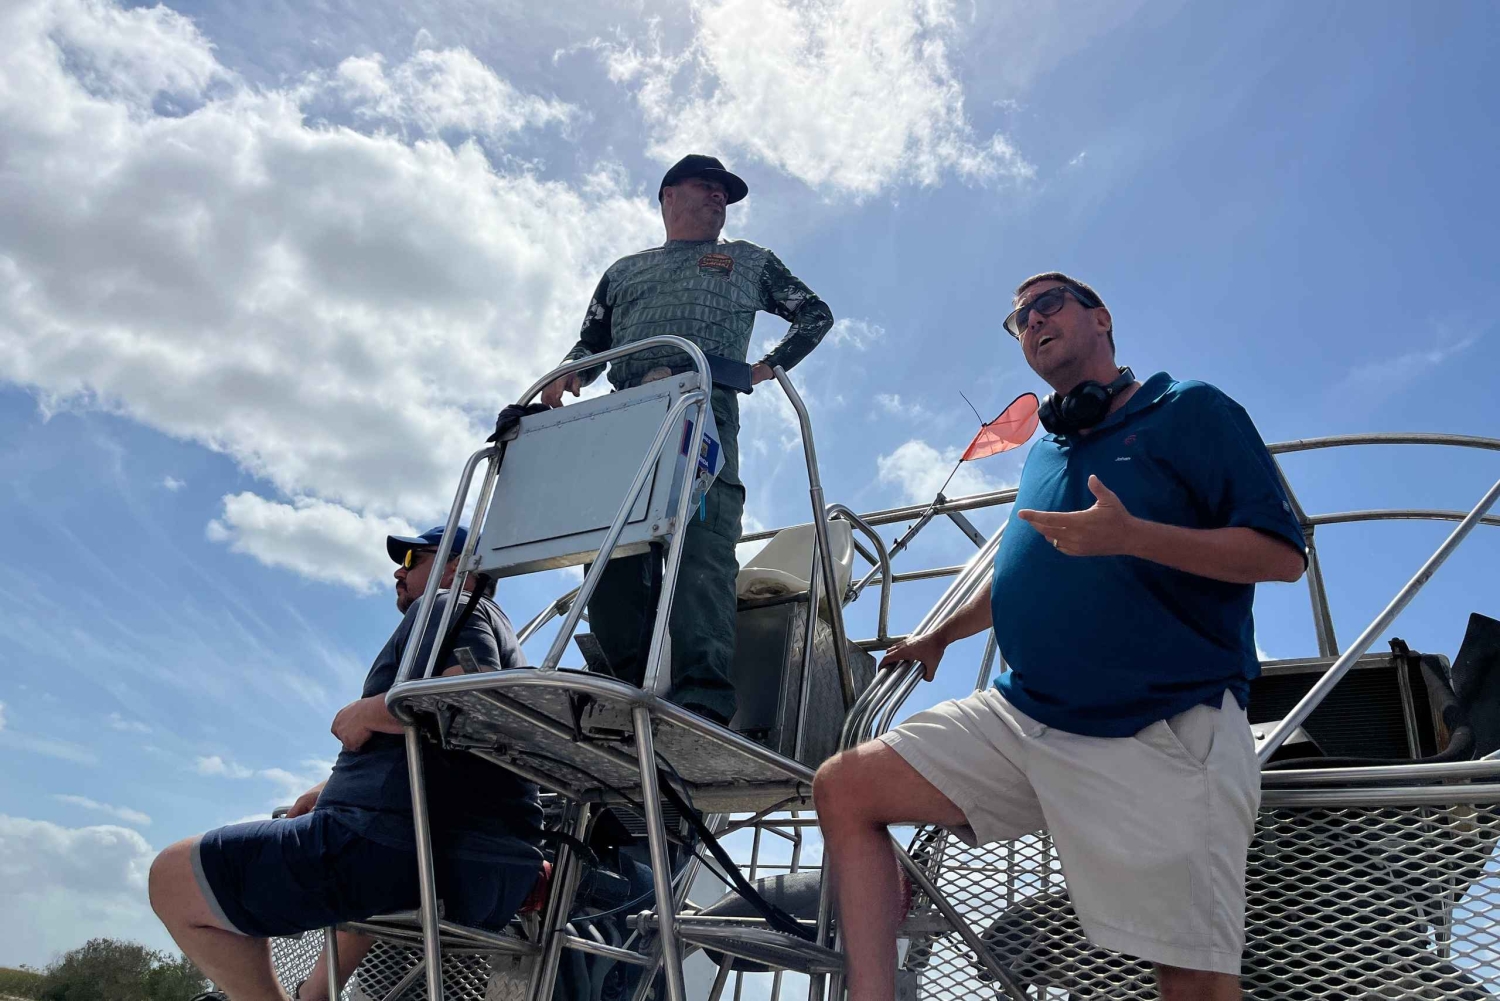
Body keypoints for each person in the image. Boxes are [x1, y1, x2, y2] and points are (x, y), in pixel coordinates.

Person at [813, 272, 1307, 1001]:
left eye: (1048, 304)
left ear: (1101, 317)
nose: (1032, 321)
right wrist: (940, 635)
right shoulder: (1047, 449)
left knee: (1194, 983)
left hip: (1162, 727)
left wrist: (1134, 536)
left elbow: (1282, 555)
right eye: (1018, 319)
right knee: (845, 785)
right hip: (1027, 715)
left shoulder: (1192, 409)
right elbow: (1025, 566)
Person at [149, 526, 544, 1001]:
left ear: (458, 565)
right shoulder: (500, 639)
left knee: (173, 877)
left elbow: (465, 706)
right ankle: (313, 996)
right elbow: (454, 748)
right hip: (478, 865)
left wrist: (366, 712)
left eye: (415, 558)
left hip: (404, 847)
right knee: (364, 882)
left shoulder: (448, 606)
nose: (400, 572)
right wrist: (330, 786)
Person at [540, 154, 834, 724]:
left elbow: (814, 315)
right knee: (612, 549)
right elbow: (591, 344)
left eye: (724, 192)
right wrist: (566, 373)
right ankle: (623, 686)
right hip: (624, 415)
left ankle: (702, 695)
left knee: (702, 543)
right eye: (706, 186)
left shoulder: (750, 260)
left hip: (702, 405)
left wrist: (766, 367)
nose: (718, 198)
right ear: (668, 196)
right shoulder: (623, 271)